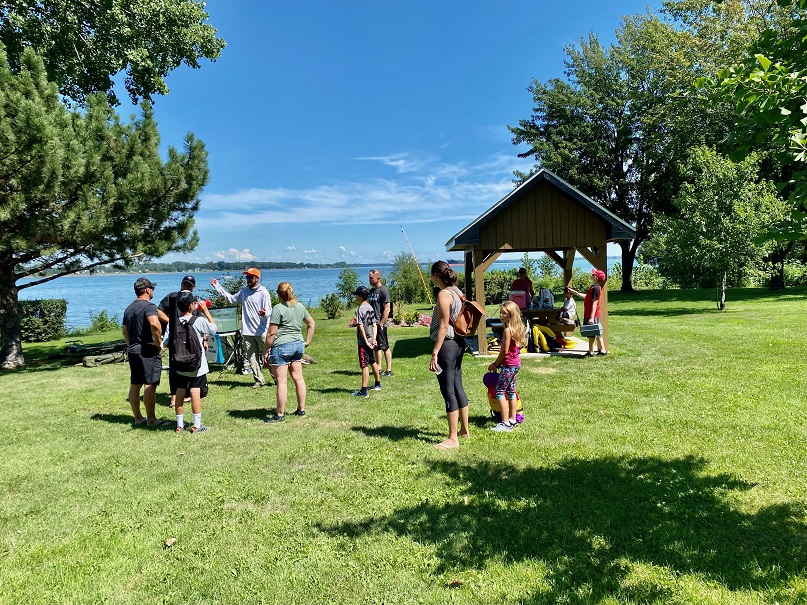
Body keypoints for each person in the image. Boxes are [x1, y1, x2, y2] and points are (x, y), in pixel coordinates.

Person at [428, 260, 470, 449]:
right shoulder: (456, 291)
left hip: (447, 346)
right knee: (457, 386)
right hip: (459, 344)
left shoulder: (444, 294)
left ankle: (453, 438)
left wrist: (435, 352)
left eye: (431, 275)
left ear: (436, 276)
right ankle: (464, 431)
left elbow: (444, 327)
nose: (430, 278)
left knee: (448, 390)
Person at [210, 268, 272, 388]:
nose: (248, 279)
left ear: (257, 278)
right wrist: (217, 286)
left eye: (250, 277)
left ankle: (277, 378)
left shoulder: (264, 292)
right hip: (247, 332)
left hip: (262, 332)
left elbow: (269, 310)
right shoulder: (244, 292)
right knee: (252, 358)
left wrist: (265, 313)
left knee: (268, 357)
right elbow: (231, 299)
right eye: (247, 277)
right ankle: (259, 380)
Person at [263, 282, 315, 423]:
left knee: (282, 382)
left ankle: (280, 414)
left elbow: (271, 333)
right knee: (299, 378)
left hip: (282, 346)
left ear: (278, 294)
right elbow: (311, 324)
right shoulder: (300, 306)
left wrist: (266, 350)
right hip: (298, 345)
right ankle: (301, 409)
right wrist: (307, 341)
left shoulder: (278, 308)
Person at [169, 291, 217, 433]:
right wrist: (206, 311)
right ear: (191, 305)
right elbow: (213, 329)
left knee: (180, 391)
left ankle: (179, 424)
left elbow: (166, 342)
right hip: (197, 364)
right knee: (195, 391)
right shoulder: (198, 320)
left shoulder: (174, 322)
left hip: (179, 363)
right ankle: (196, 425)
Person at [121, 277, 167, 427]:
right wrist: (158, 342)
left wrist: (131, 345)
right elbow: (154, 323)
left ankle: (138, 418)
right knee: (150, 384)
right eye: (152, 288)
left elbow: (124, 330)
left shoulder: (129, 308)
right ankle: (151, 419)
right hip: (147, 350)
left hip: (133, 350)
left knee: (135, 384)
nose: (153, 291)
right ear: (147, 290)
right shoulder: (149, 306)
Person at [156, 275, 204, 409]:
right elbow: (158, 311)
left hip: (190, 339)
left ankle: (188, 393)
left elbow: (199, 320)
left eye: (189, 285)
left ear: (193, 287)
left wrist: (204, 339)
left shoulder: (194, 300)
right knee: (175, 365)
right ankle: (174, 397)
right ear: (181, 284)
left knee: (190, 363)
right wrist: (173, 323)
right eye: (185, 284)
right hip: (175, 338)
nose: (186, 287)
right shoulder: (172, 297)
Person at [487, 301, 528, 432]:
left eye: (504, 313)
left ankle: (505, 423)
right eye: (500, 312)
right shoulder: (517, 328)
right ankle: (513, 419)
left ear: (511, 315)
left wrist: (495, 364)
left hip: (508, 366)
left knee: (499, 392)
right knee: (511, 391)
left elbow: (504, 351)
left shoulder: (507, 330)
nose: (501, 315)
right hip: (516, 364)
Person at [568, 269, 608, 356]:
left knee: (591, 333)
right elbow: (586, 297)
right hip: (590, 314)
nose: (592, 274)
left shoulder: (596, 288)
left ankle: (591, 352)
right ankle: (603, 350)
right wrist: (575, 292)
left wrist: (591, 317)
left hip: (592, 314)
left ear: (596, 277)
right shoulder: (593, 287)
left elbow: (595, 302)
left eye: (593, 274)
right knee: (597, 332)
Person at [351, 286, 381, 398]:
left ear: (359, 296)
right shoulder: (370, 307)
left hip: (364, 343)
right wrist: (374, 339)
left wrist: (366, 341)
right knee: (372, 361)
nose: (355, 297)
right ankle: (377, 384)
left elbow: (360, 327)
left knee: (364, 365)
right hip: (371, 340)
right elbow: (374, 325)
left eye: (356, 295)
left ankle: (363, 391)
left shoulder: (359, 309)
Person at [368, 269, 393, 376]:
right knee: (376, 346)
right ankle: (378, 368)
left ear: (378, 278)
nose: (369, 280)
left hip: (380, 324)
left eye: (371, 278)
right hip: (373, 324)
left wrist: (382, 323)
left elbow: (387, 309)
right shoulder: (372, 291)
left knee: (384, 346)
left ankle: (389, 370)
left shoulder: (383, 291)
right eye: (369, 278)